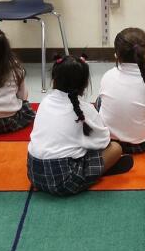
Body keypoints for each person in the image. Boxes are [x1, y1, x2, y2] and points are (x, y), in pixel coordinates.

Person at [27, 55, 126, 195]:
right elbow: (104, 141)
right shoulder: (85, 109)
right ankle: (98, 170)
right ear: (85, 84)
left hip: (34, 173)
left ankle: (95, 169)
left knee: (79, 144)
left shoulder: (45, 102)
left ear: (54, 80)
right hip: (64, 180)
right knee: (116, 148)